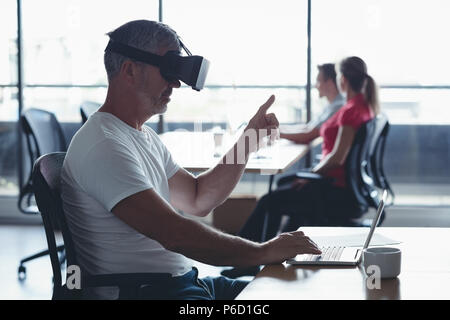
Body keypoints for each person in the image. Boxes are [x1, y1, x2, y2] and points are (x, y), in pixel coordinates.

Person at [60, 20, 321, 300]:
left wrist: (248, 141)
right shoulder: (104, 144)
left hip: (185, 283)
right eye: (169, 69)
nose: (175, 83)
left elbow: (198, 198)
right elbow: (174, 233)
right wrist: (263, 250)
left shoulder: (140, 136)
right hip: (152, 293)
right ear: (130, 70)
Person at [223, 56, 379, 278]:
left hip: (334, 190)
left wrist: (310, 176)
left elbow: (337, 157)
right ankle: (274, 253)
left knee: (270, 201)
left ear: (342, 79)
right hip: (340, 186)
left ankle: (247, 260)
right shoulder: (363, 107)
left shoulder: (350, 111)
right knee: (284, 189)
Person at [280, 63, 345, 144]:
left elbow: (309, 135)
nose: (315, 86)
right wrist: (280, 129)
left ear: (329, 83)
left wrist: (277, 134)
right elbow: (308, 127)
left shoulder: (337, 107)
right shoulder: (331, 105)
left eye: (318, 81)